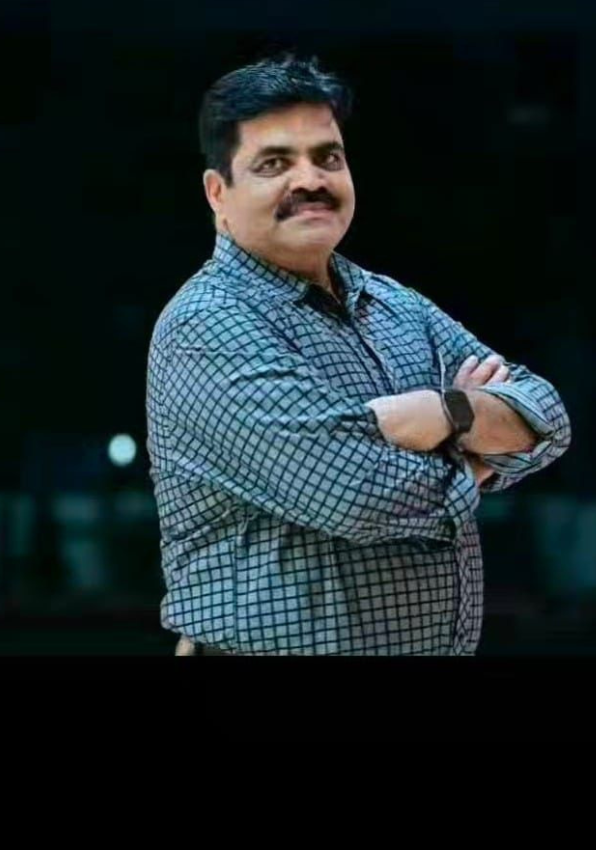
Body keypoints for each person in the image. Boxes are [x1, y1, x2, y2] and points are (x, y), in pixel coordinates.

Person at [145, 53, 571, 655]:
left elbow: (547, 418)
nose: (310, 180)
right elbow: (357, 497)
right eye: (274, 164)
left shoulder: (390, 301)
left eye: (328, 158)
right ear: (219, 192)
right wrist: (473, 464)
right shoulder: (208, 324)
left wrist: (446, 412)